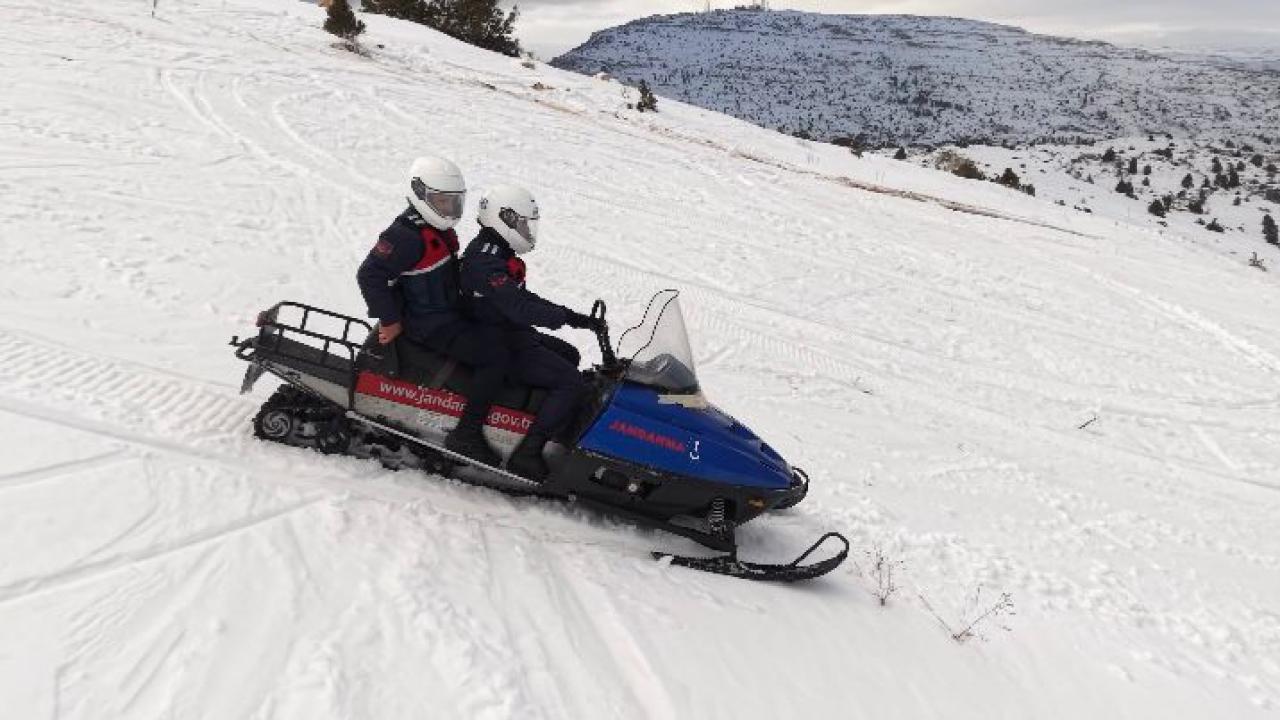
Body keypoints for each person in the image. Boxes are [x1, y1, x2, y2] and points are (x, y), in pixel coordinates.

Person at [356, 156, 509, 467]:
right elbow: (369, 275)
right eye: (441, 201)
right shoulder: (404, 236)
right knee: (495, 358)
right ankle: (466, 434)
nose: (449, 209)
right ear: (419, 194)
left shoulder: (433, 230)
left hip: (447, 314)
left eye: (454, 202)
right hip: (428, 326)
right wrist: (390, 319)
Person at [461, 184, 600, 481]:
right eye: (523, 224)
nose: (527, 230)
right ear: (505, 218)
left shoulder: (498, 251)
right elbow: (519, 308)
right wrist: (560, 318)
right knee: (570, 382)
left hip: (507, 332)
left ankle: (545, 421)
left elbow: (522, 297)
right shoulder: (485, 260)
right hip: (496, 340)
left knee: (570, 354)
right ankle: (528, 452)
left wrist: (575, 318)